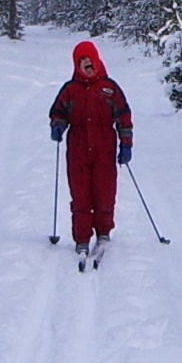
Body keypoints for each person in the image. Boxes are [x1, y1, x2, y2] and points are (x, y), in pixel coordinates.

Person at [49, 39, 134, 261]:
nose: (87, 63)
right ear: (77, 65)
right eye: (81, 60)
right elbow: (58, 112)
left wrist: (126, 144)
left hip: (104, 149)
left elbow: (124, 117)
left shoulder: (110, 88)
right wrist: (58, 125)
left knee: (105, 193)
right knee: (80, 195)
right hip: (77, 150)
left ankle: (104, 233)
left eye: (89, 59)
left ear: (97, 60)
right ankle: (82, 239)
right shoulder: (71, 89)